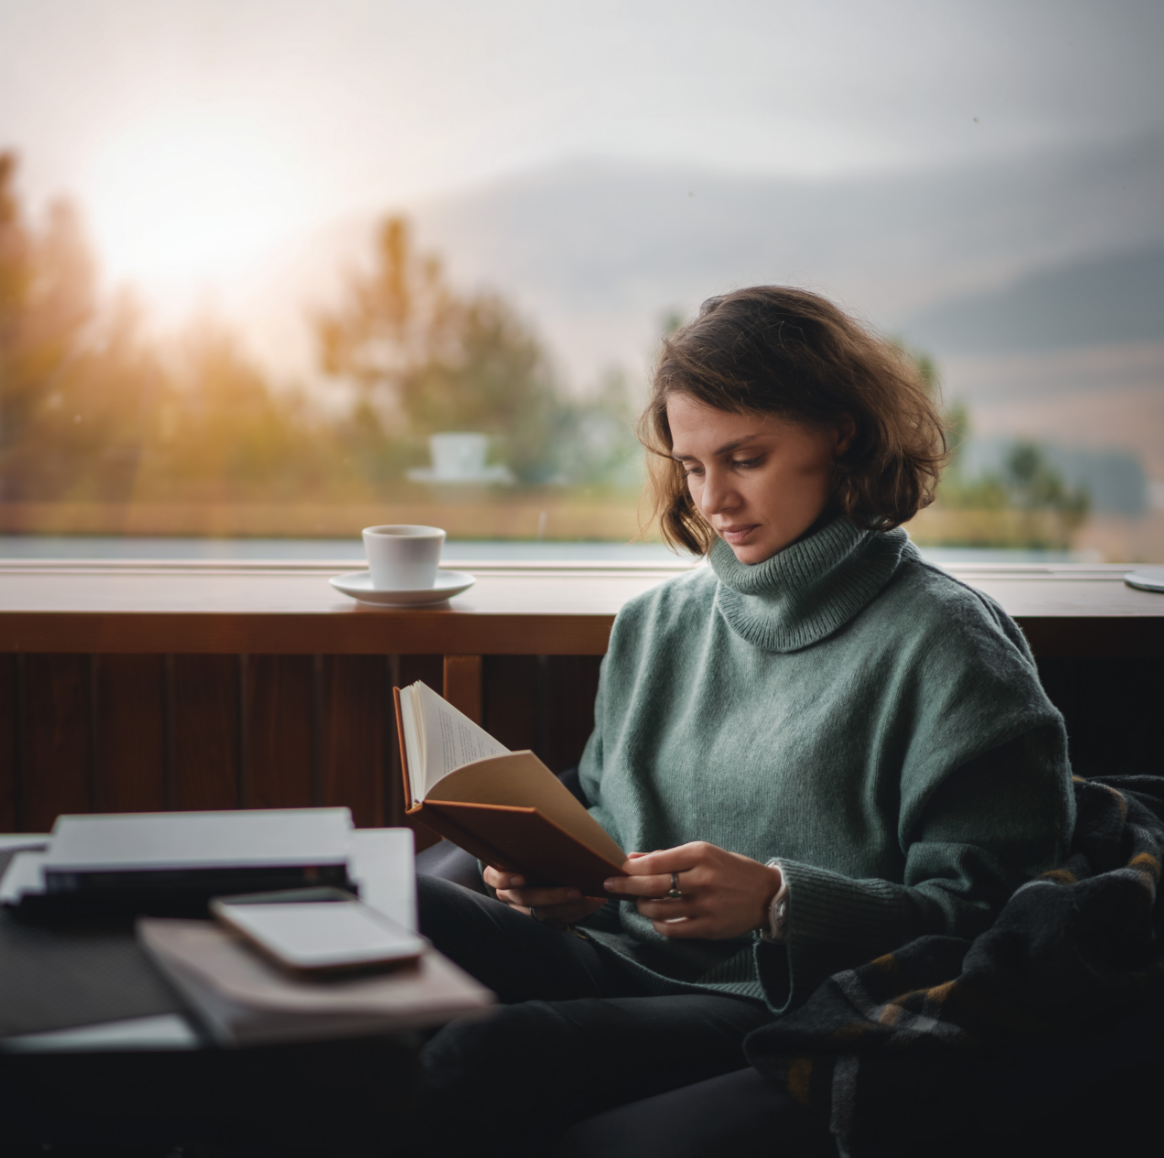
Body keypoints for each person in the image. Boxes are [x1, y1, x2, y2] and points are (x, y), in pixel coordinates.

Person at [415, 287, 1074, 1155]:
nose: (713, 499)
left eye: (745, 459)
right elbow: (613, 816)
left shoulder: (951, 648)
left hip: (776, 1002)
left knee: (479, 1057)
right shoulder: (655, 628)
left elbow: (990, 924)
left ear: (841, 432)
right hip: (617, 954)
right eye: (692, 466)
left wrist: (778, 901)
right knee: (386, 898)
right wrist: (564, 885)